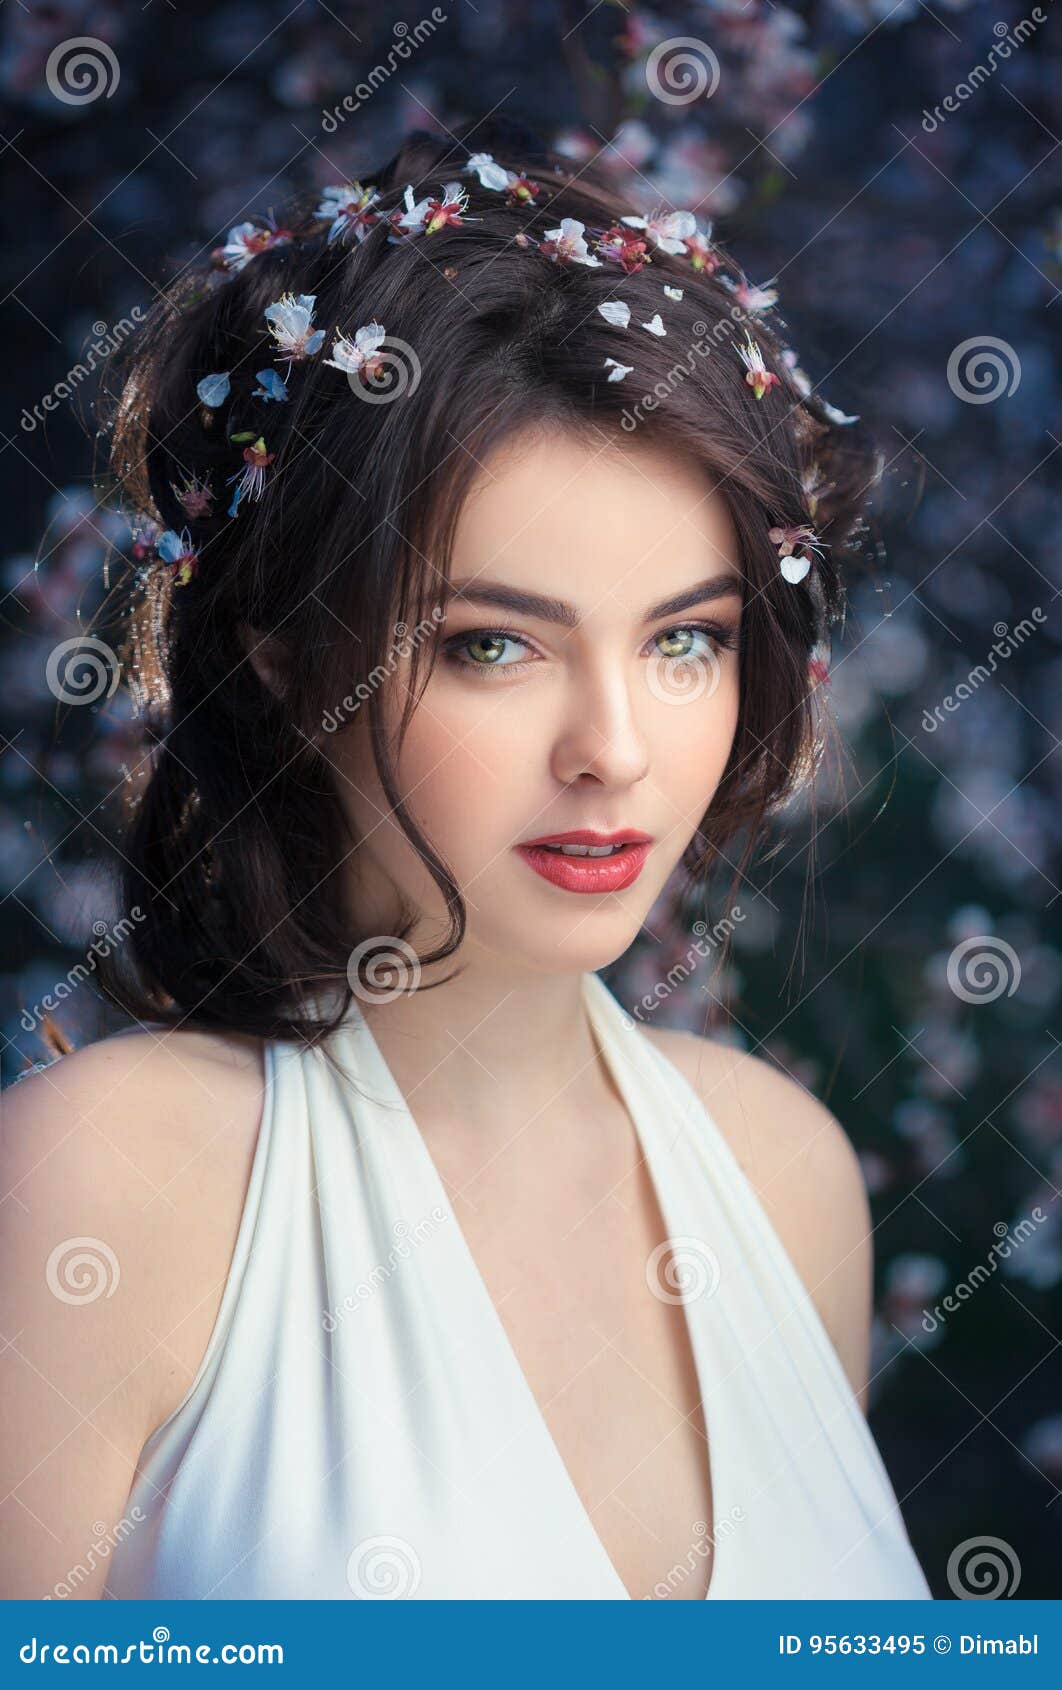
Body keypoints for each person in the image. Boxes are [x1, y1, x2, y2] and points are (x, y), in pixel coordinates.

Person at [0, 124, 931, 1601]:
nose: (614, 748)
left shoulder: (786, 1176)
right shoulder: (106, 1181)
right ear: (298, 666)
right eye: (494, 644)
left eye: (683, 638)